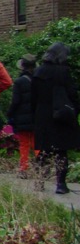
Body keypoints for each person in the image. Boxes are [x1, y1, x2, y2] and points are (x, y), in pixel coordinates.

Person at [31, 42, 80, 195]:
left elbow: (33, 97)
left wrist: (36, 115)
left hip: (42, 115)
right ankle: (60, 184)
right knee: (61, 151)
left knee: (44, 151)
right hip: (60, 116)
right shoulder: (62, 72)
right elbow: (73, 94)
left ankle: (39, 181)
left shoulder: (38, 72)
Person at [7, 55, 37, 175]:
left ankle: (24, 168)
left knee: (24, 143)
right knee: (36, 142)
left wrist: (10, 113)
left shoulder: (19, 82)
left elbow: (15, 101)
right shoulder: (38, 79)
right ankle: (40, 166)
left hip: (22, 117)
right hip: (36, 116)